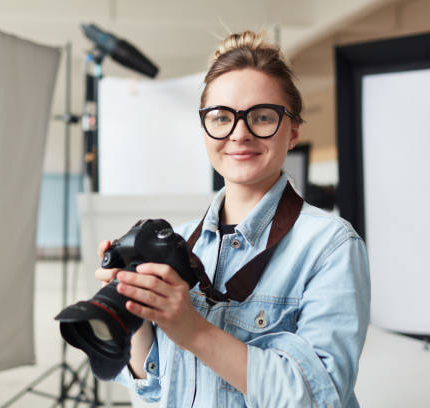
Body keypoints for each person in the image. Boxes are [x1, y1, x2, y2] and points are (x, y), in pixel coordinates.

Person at [95, 30, 370, 408]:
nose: (239, 134)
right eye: (222, 117)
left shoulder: (329, 247)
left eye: (261, 116)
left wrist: (192, 330)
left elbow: (317, 400)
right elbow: (155, 388)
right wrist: (137, 308)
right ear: (205, 128)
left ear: (293, 131)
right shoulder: (180, 240)